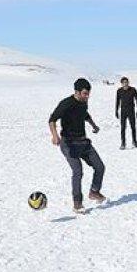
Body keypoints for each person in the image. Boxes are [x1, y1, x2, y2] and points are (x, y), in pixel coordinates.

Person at [48, 78, 106, 213]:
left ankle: (94, 192)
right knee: (78, 171)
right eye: (85, 93)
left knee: (100, 167)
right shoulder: (66, 104)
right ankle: (77, 204)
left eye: (88, 93)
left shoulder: (83, 102)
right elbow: (52, 119)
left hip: (83, 142)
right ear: (77, 92)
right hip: (68, 143)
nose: (87, 96)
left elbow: (85, 115)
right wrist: (55, 135)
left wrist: (94, 125)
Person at [114, 76, 137, 149]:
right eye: (124, 83)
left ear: (128, 83)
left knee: (133, 127)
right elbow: (117, 101)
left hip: (131, 111)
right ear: (121, 84)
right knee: (123, 128)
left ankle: (135, 141)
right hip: (123, 111)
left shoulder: (133, 90)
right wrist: (116, 111)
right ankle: (123, 143)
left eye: (126, 82)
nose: (125, 84)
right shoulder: (119, 91)